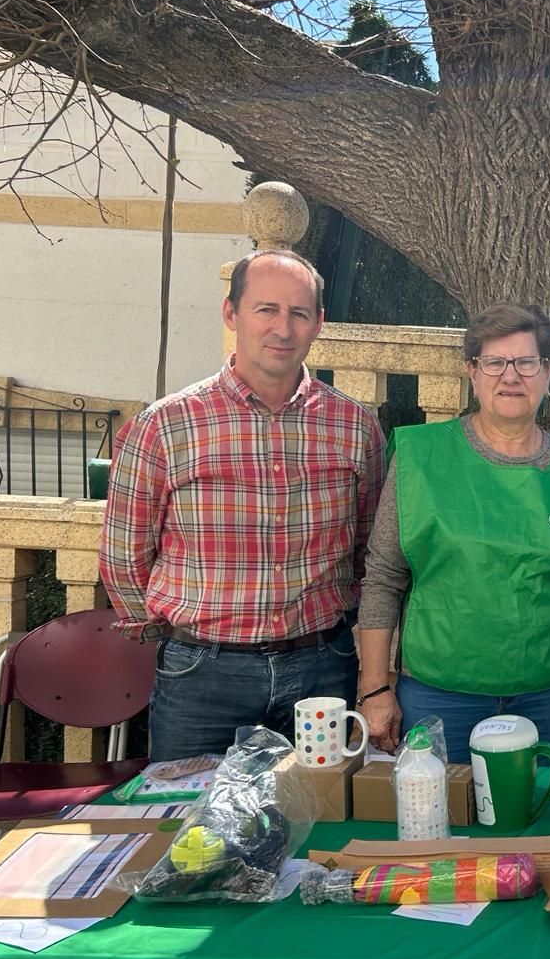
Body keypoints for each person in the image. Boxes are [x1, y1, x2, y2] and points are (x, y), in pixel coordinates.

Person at [99, 250, 385, 761]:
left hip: (320, 670)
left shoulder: (354, 427)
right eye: (266, 309)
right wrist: (182, 634)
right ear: (231, 313)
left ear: (319, 323)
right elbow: (124, 558)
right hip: (202, 677)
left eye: (299, 313)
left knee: (319, 824)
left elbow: (368, 546)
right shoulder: (165, 426)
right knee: (192, 829)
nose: (283, 328)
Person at [354, 305, 550, 763]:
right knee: (437, 825)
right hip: (440, 695)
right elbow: (384, 577)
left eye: (526, 362)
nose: (510, 376)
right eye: (495, 362)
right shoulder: (420, 457)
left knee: (542, 827)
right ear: (472, 373)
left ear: (548, 372)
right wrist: (374, 688)